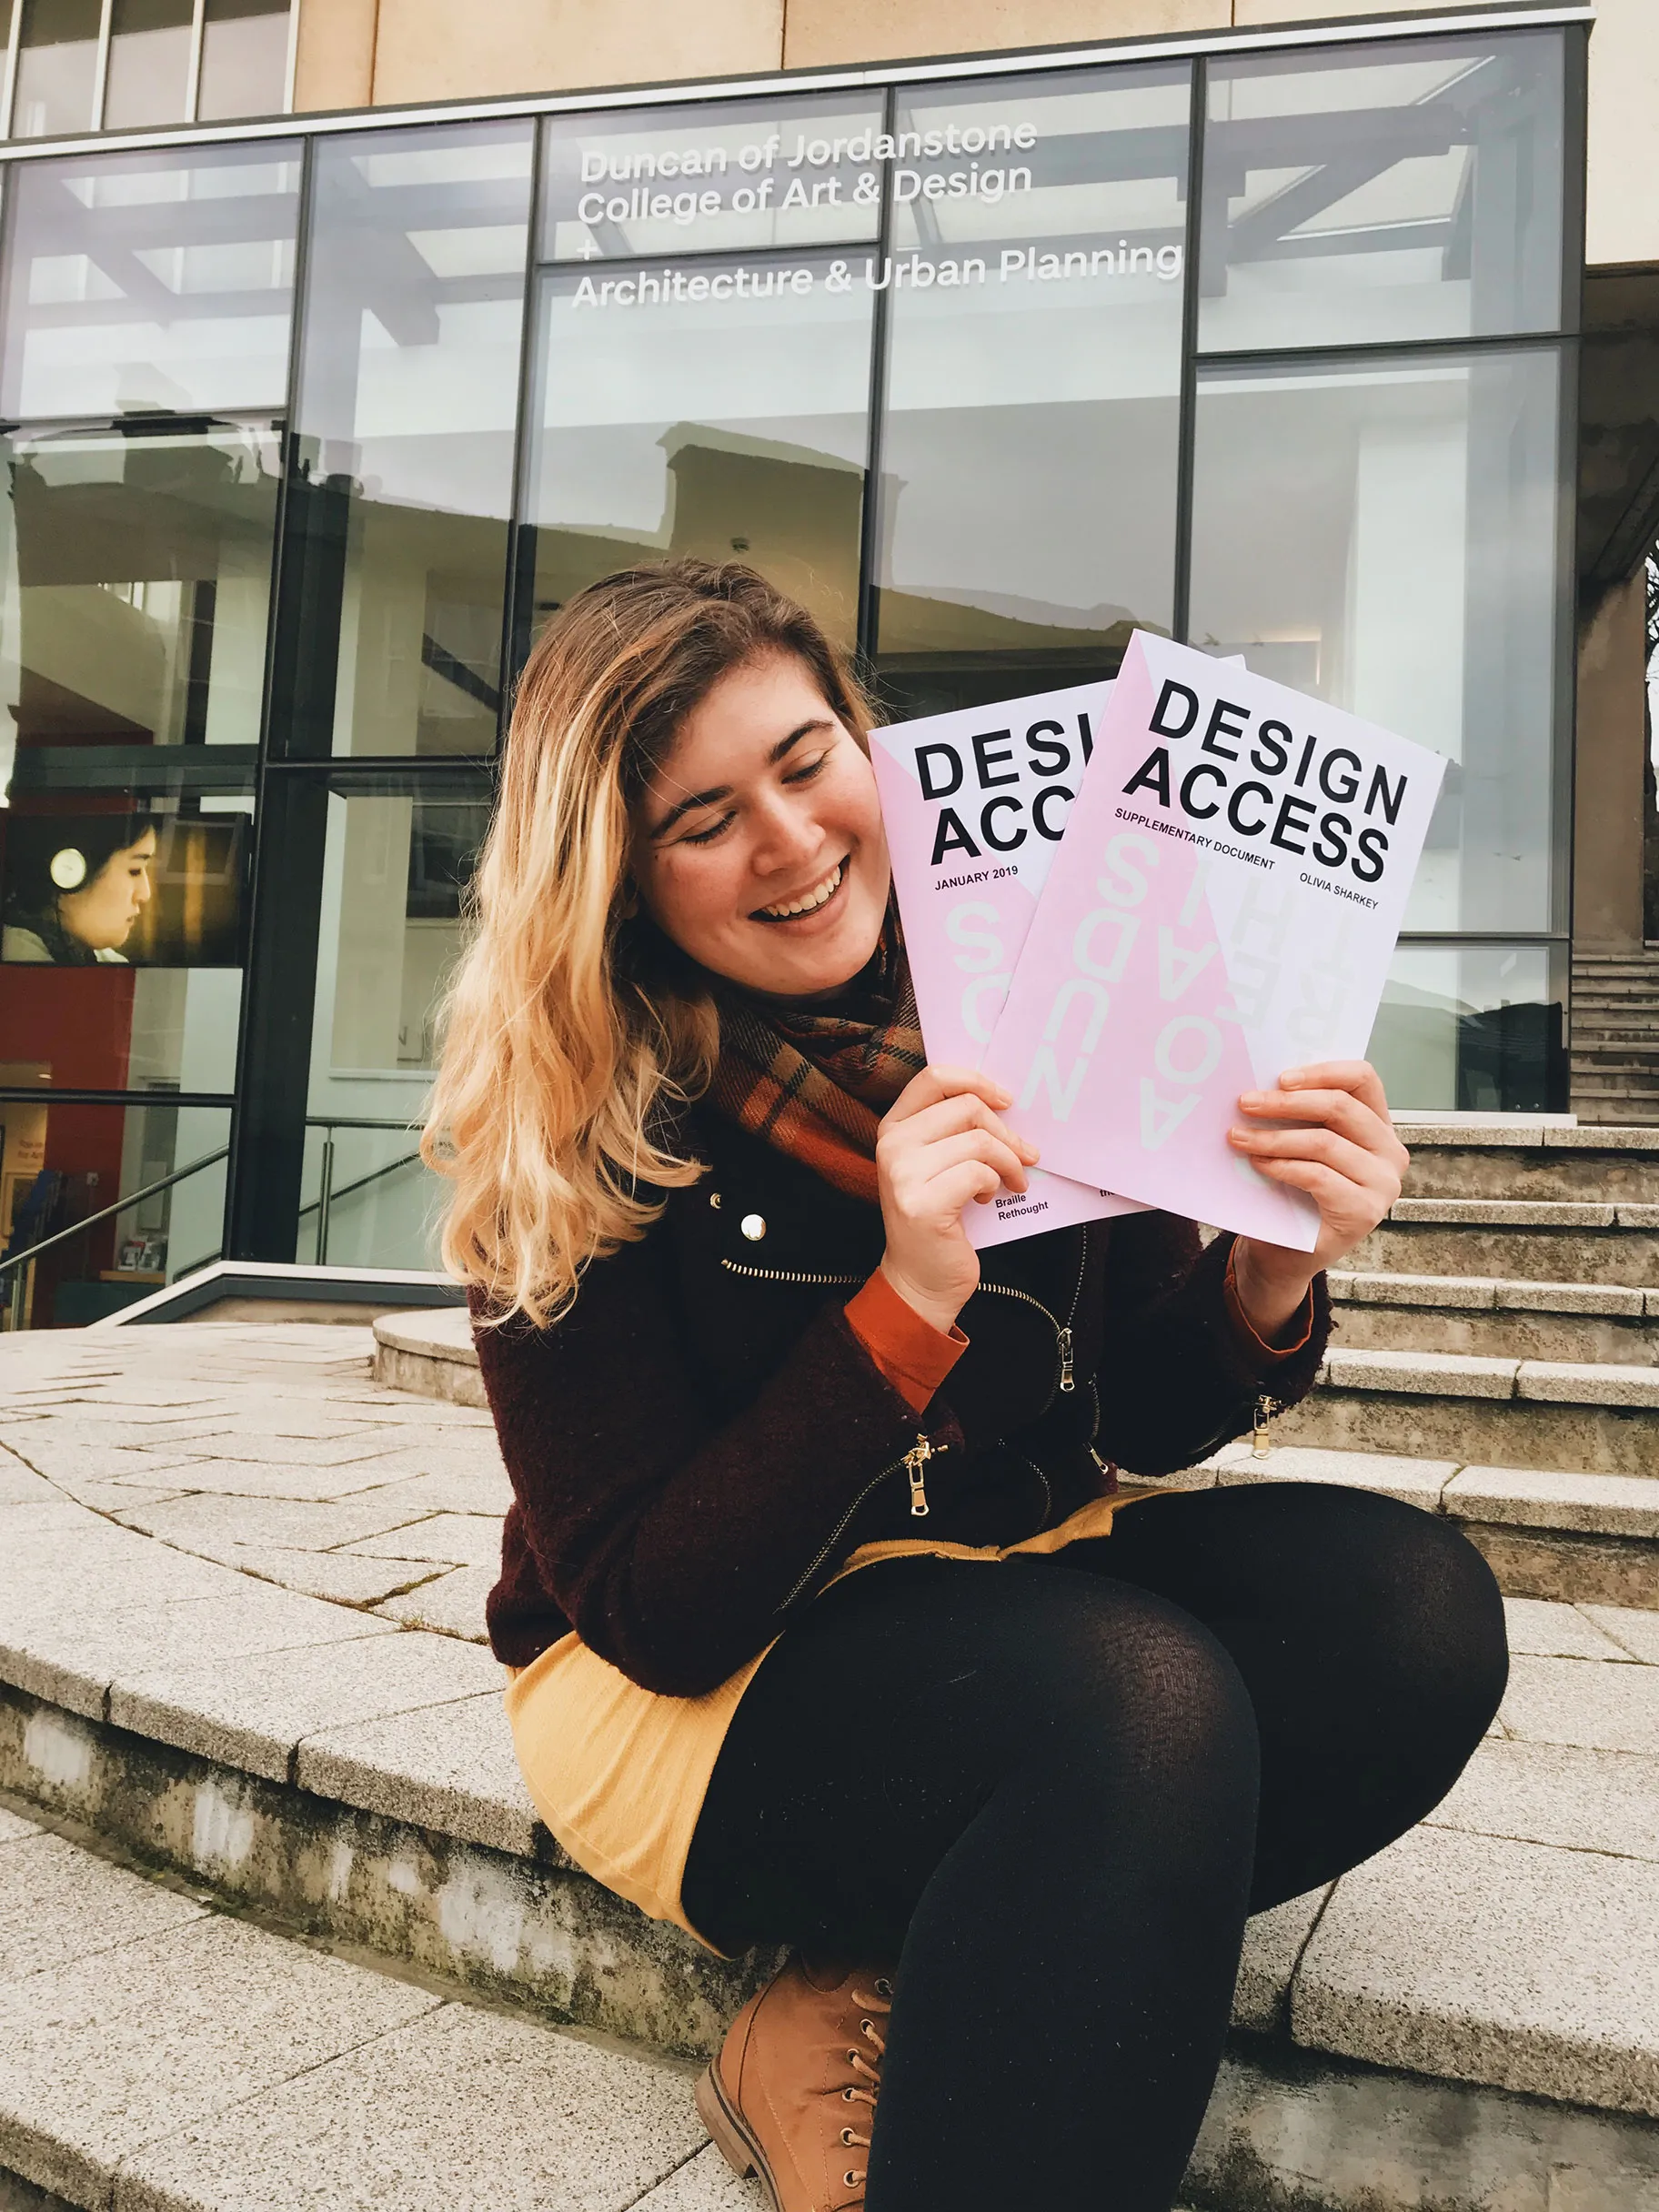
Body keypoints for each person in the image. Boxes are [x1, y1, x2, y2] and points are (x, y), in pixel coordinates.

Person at [423, 559, 1507, 2212]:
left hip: (1007, 1581)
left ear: (865, 745)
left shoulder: (1036, 984)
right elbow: (654, 1601)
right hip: (688, 1687)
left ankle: (889, 1950)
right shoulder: (565, 1116)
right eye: (701, 818)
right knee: (1130, 1710)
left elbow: (1125, 1425)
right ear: (620, 879)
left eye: (803, 760)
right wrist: (905, 1296)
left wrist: (1269, 1266)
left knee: (1412, 1610)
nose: (786, 841)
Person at [1, 815, 156, 964]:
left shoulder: (105, 961)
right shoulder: (23, 971)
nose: (145, 895)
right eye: (135, 870)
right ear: (70, 874)